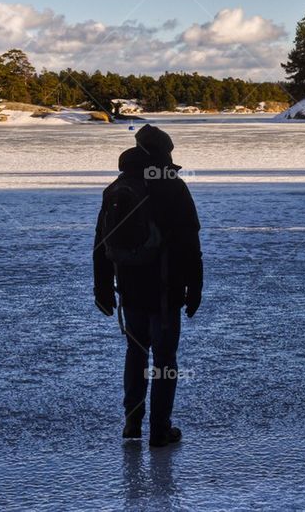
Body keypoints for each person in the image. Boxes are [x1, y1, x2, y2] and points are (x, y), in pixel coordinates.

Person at [93, 124, 203, 448]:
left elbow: (100, 243)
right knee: (165, 359)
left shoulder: (118, 186)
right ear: (164, 152)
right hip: (165, 288)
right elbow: (190, 243)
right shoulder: (172, 188)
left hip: (128, 287)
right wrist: (195, 288)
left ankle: (132, 422)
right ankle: (159, 429)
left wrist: (101, 287)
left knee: (136, 353)